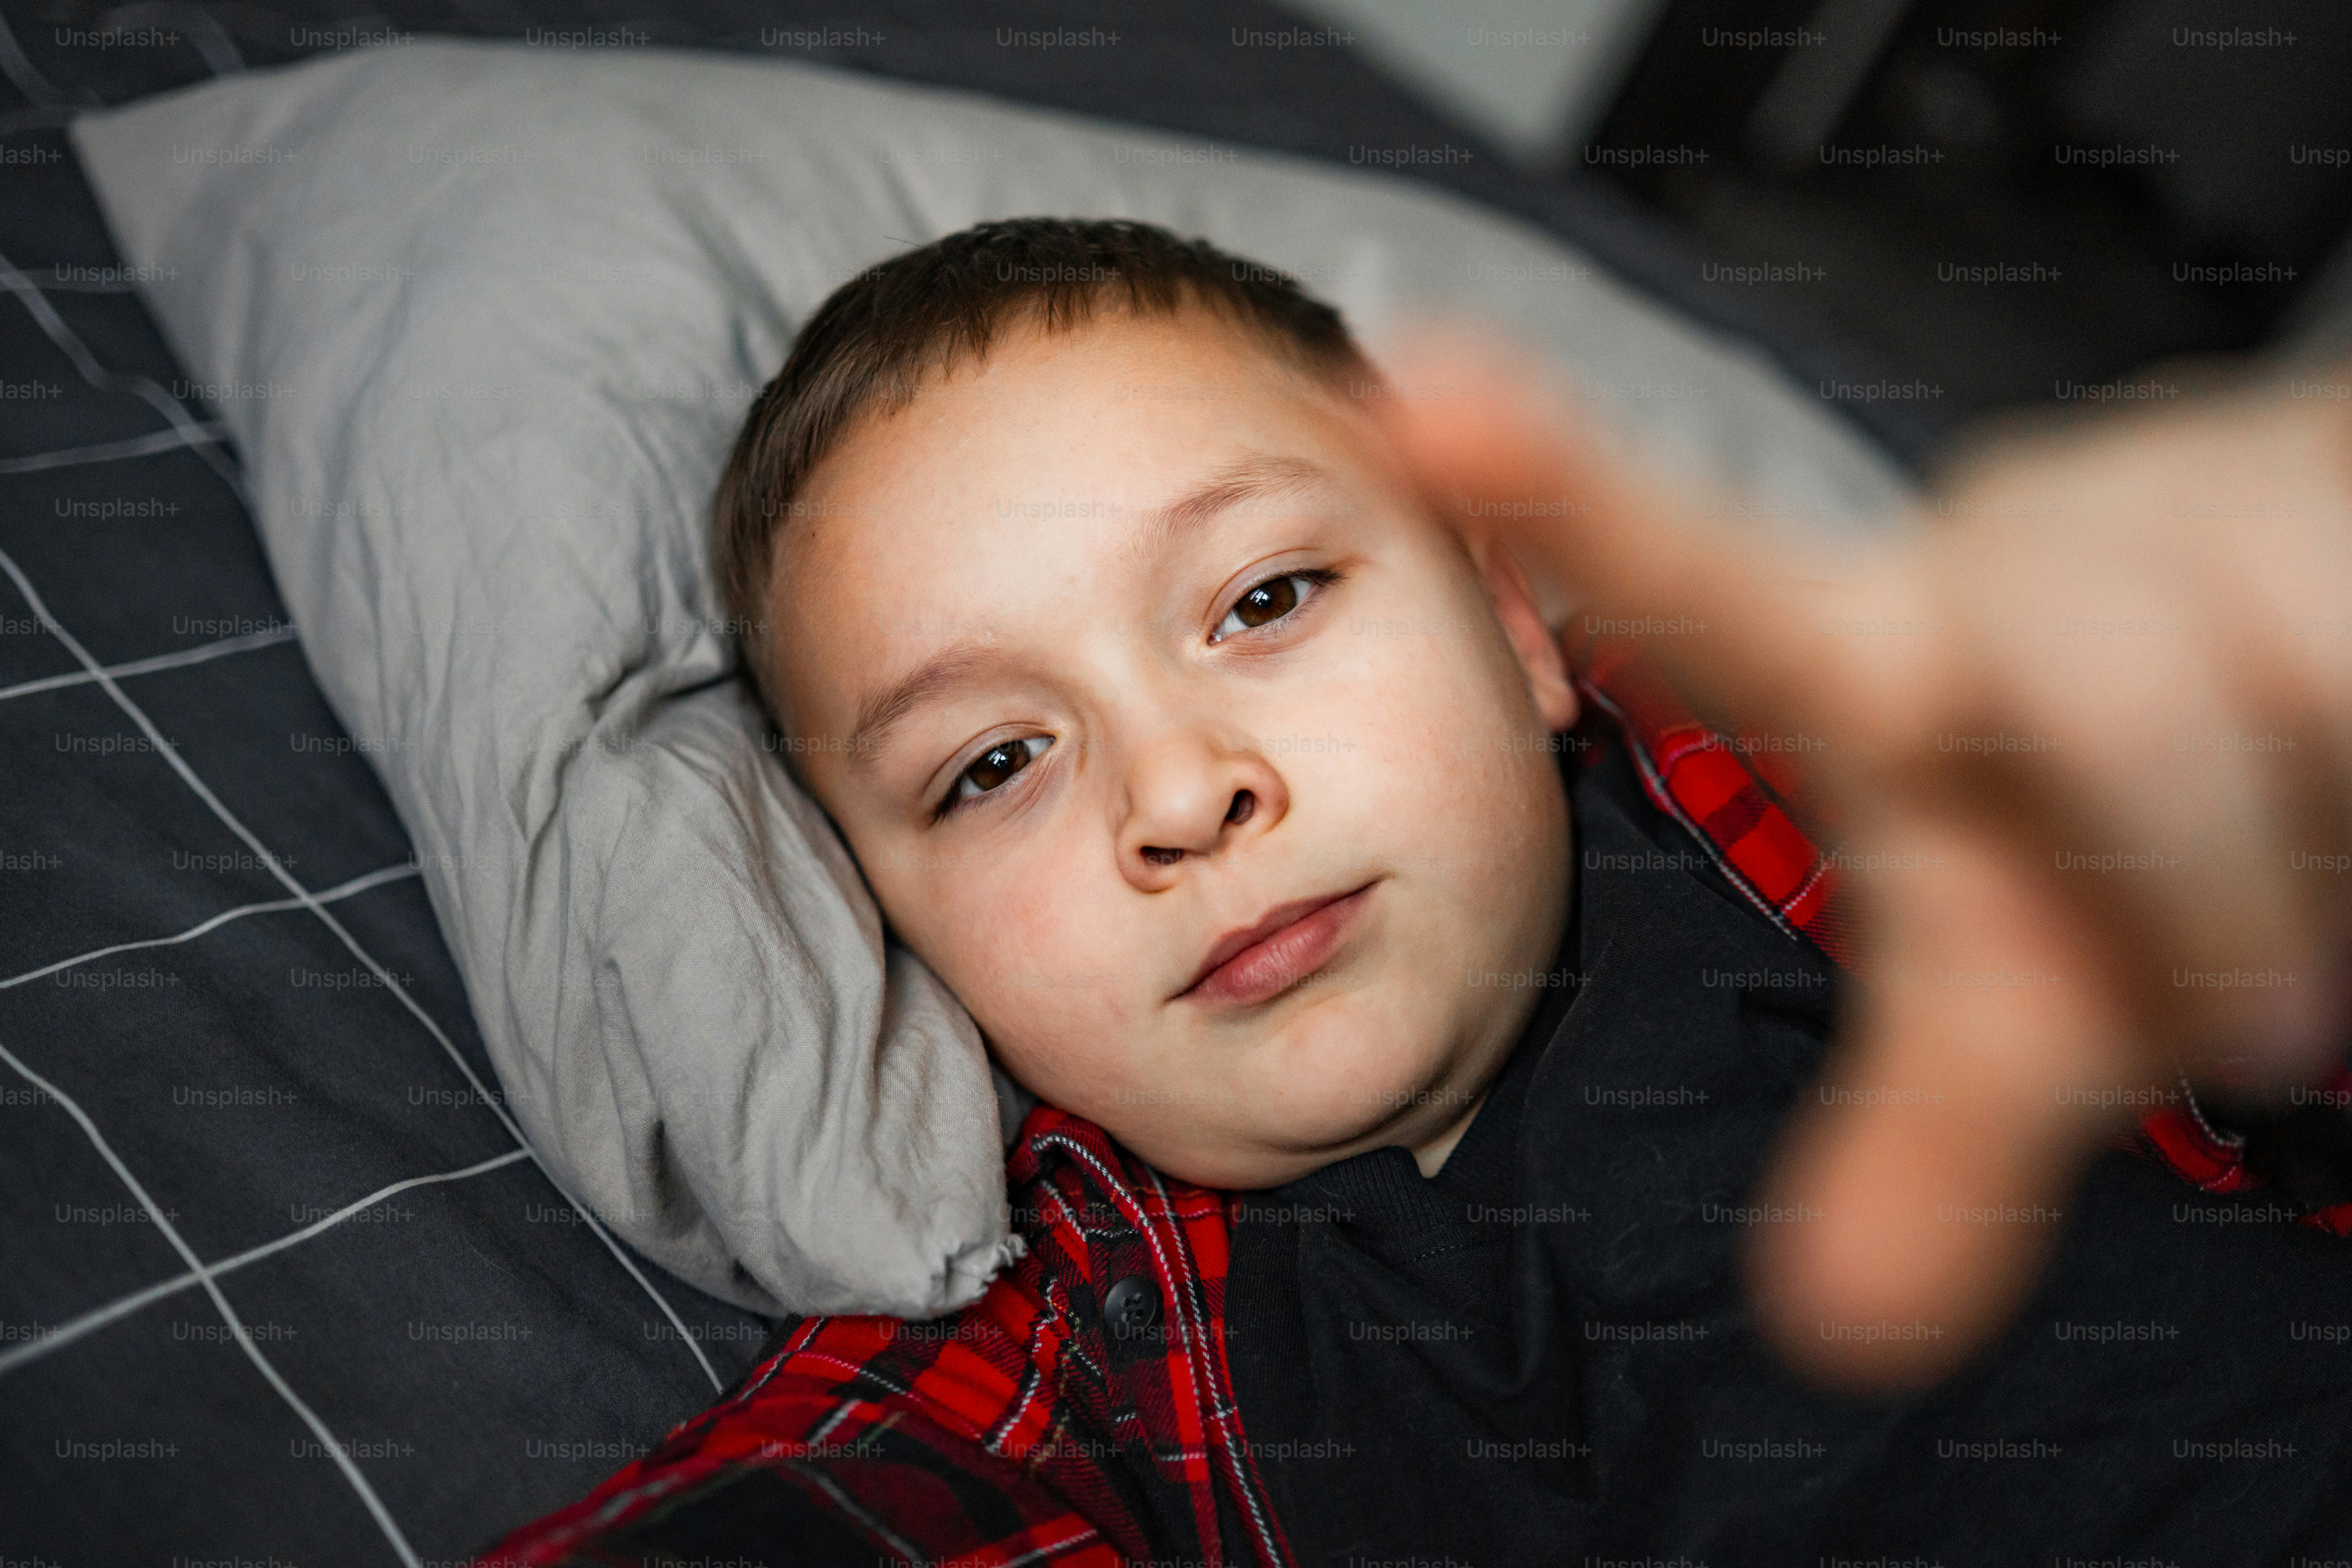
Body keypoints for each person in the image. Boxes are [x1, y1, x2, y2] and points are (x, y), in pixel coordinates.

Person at [481, 218, 2352, 1567]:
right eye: (992, 767)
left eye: (1267, 600)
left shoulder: (1842, 797)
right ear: (893, 930)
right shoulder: (1070, 1347)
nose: (1185, 793)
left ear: (1519, 629)